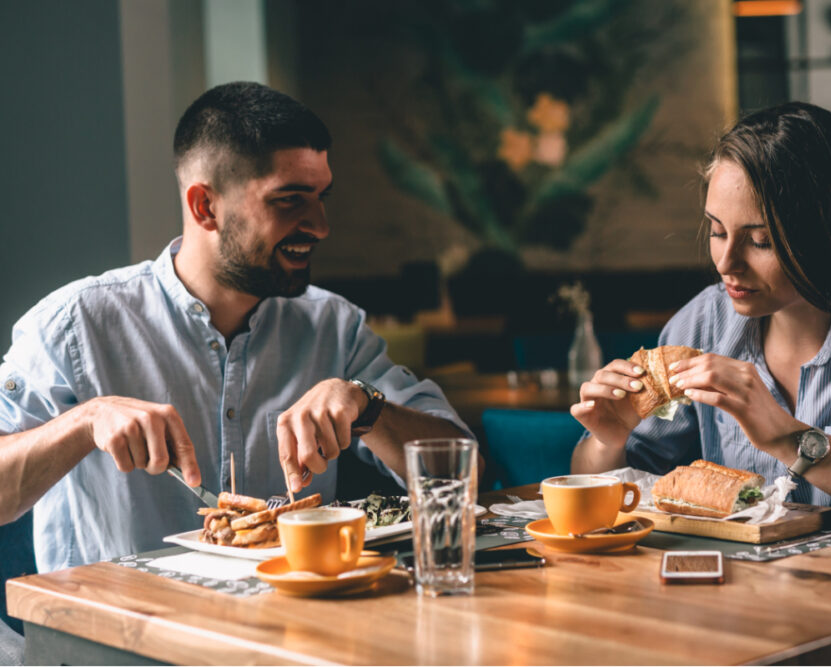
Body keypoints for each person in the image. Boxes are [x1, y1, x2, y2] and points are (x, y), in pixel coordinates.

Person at [0, 82, 477, 573]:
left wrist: (369, 406)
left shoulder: (335, 327)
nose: (320, 225)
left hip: (288, 631)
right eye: (290, 200)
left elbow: (466, 474)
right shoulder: (76, 325)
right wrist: (85, 420)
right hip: (117, 642)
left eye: (321, 197)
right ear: (205, 207)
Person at [570, 101, 831, 533]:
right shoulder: (703, 323)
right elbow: (621, 480)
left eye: (760, 241)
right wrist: (609, 440)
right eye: (717, 231)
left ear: (828, 237)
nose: (726, 262)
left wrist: (789, 439)